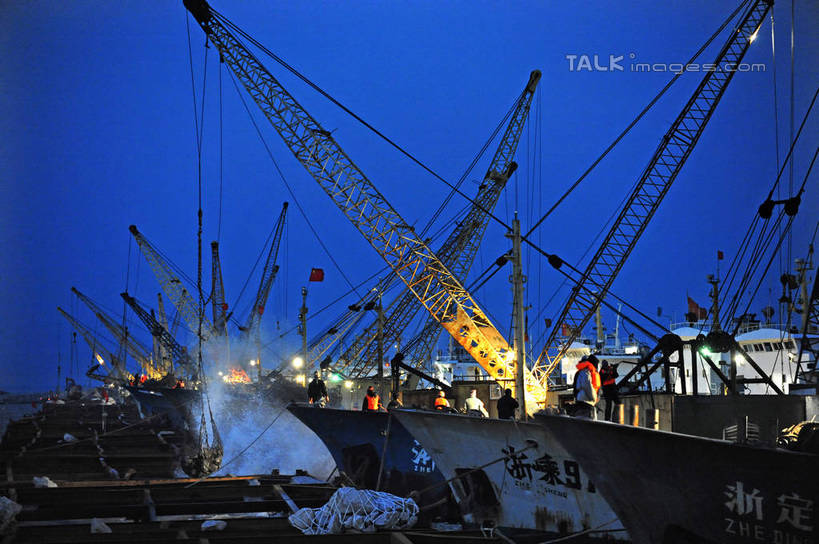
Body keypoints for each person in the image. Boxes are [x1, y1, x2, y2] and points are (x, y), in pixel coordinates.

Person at [574, 355, 601, 419]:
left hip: (586, 401)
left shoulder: (585, 371)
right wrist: (594, 398)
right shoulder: (586, 371)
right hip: (586, 401)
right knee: (587, 423)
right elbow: (587, 386)